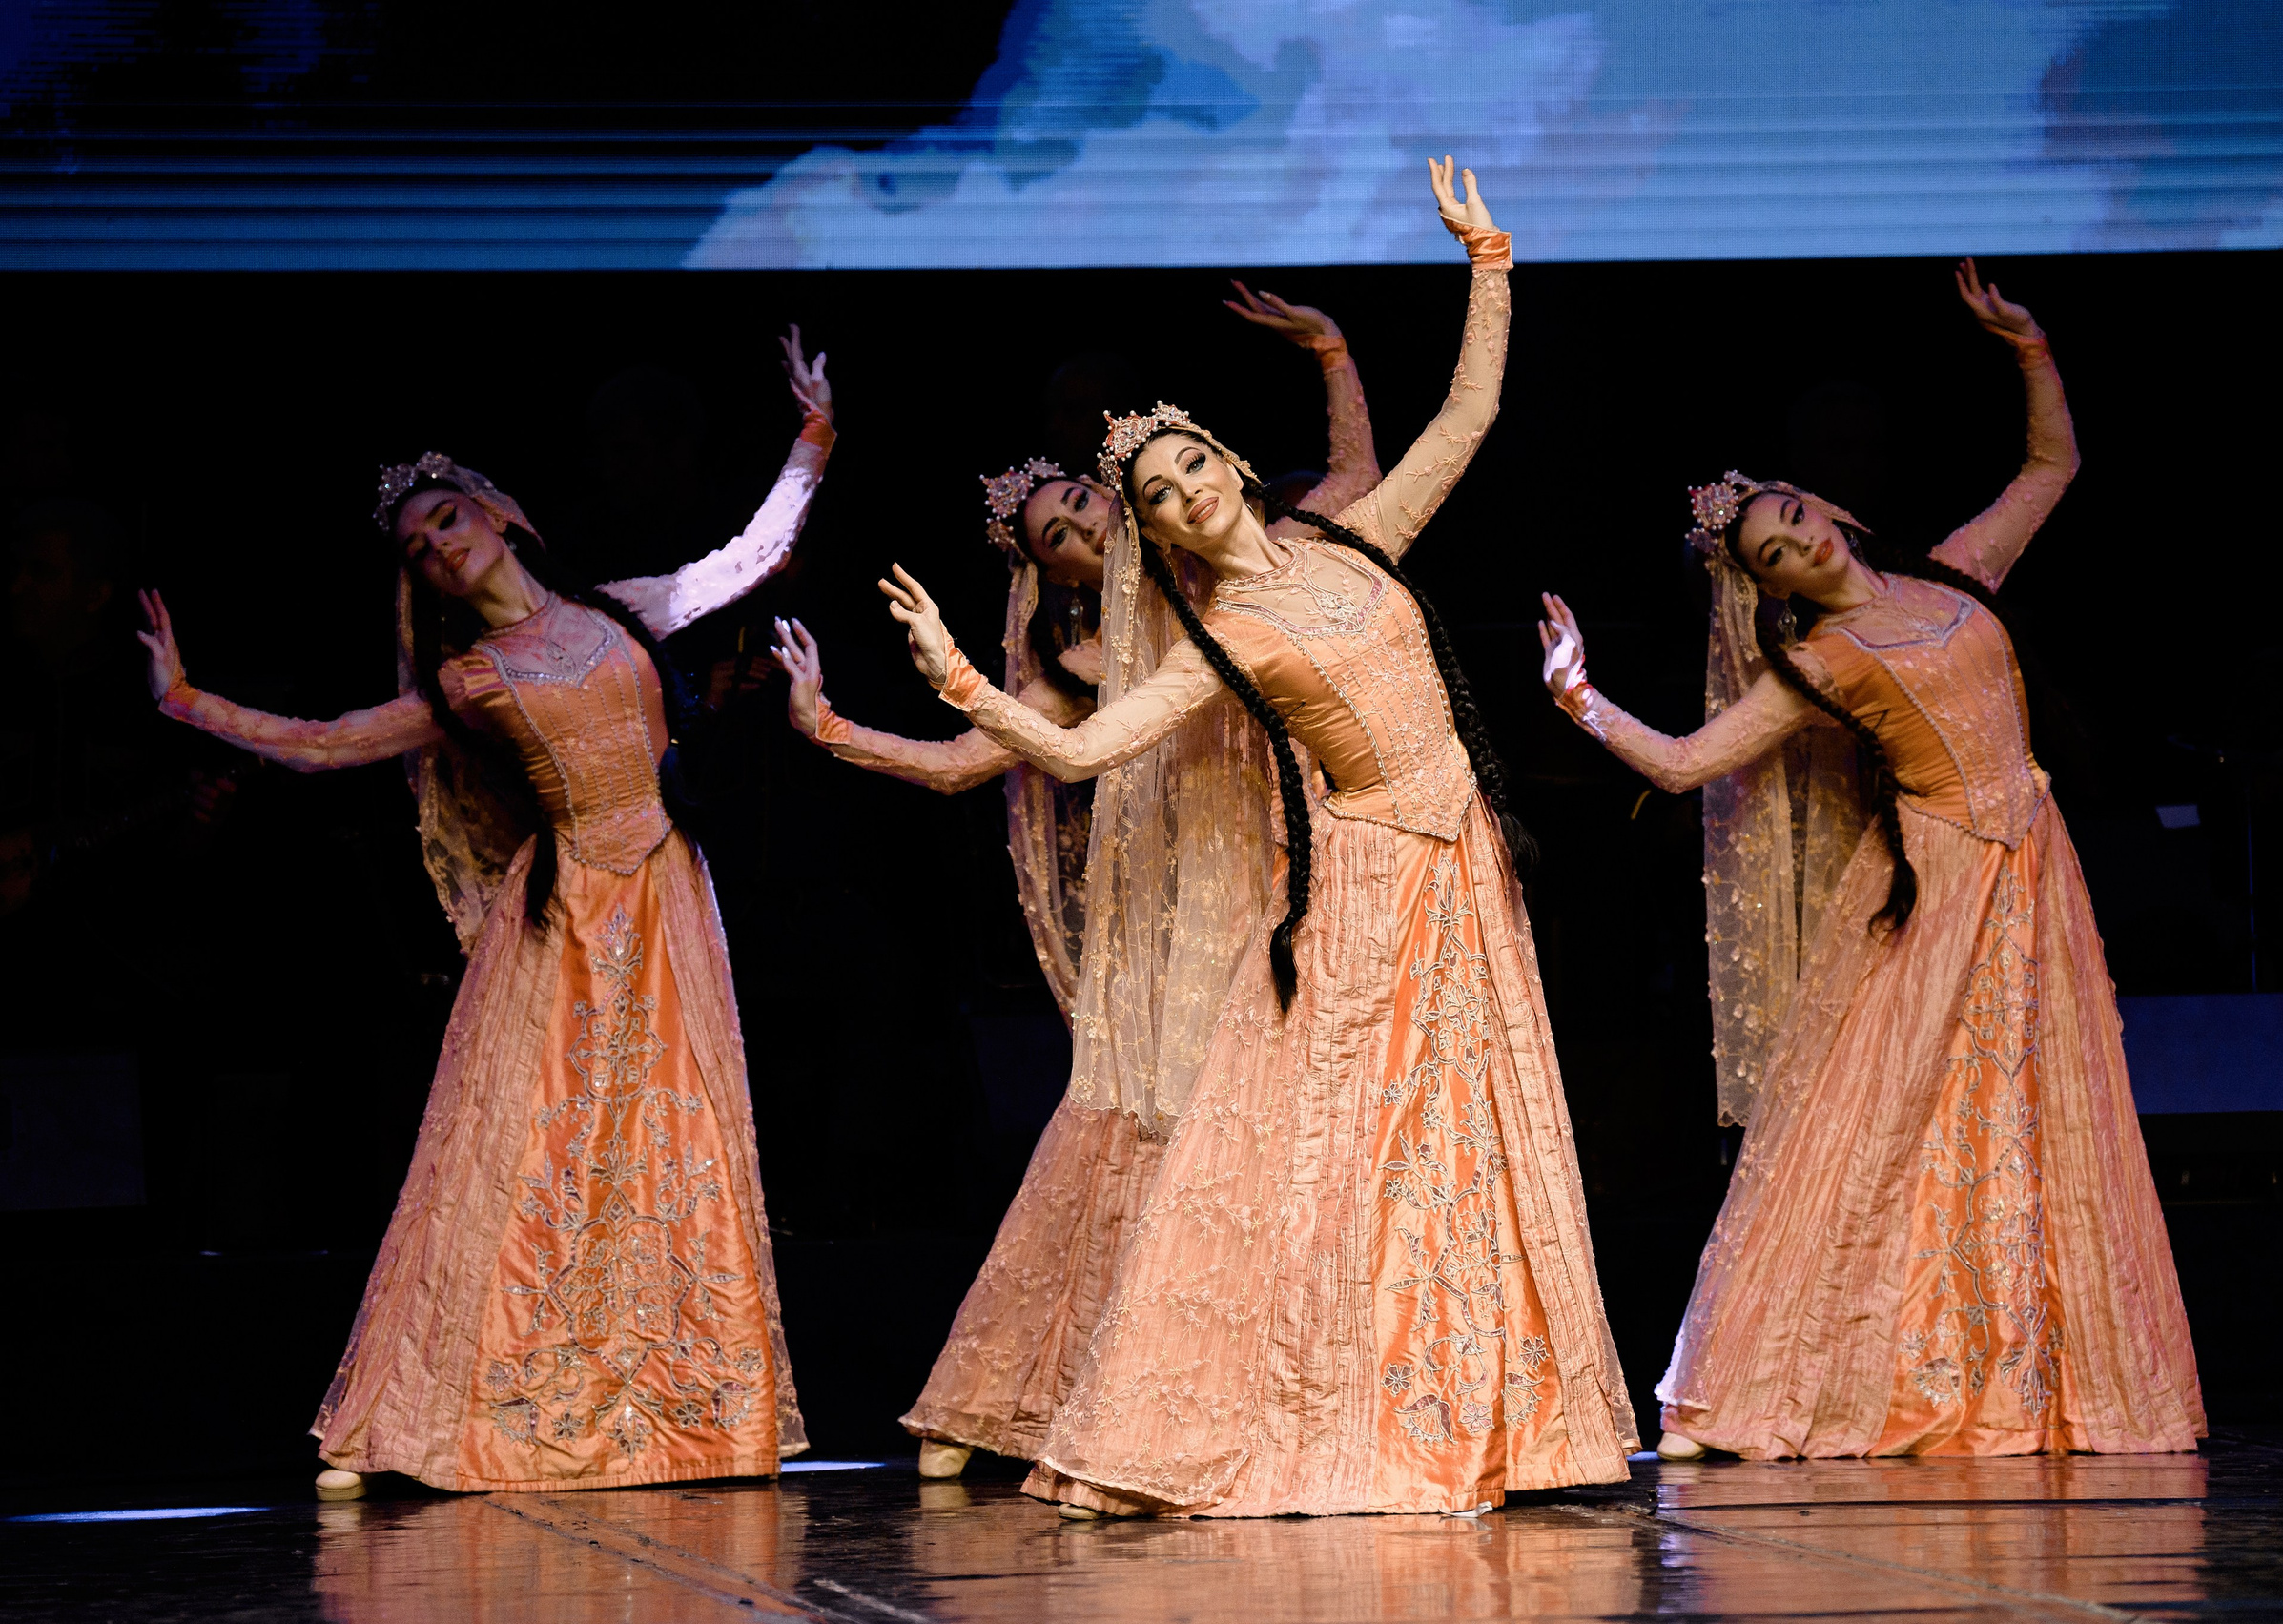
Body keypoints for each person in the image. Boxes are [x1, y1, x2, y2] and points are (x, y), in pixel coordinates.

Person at [872, 158, 1638, 1518]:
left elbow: (1469, 416)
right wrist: (961, 682)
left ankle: (1467, 1403)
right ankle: (1245, 1407)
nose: (1183, 495)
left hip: (1463, 861)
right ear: (1154, 535)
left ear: (1228, 463)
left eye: (1188, 467)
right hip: (1363, 887)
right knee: (1328, 1153)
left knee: (1462, 1143)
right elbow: (1085, 748)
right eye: (1155, 497)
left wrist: (1490, 263)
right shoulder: (1223, 632)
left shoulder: (1353, 540)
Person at [135, 328, 837, 1494]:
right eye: (418, 549)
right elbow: (324, 747)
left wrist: (814, 433)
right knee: (531, 1152)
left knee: (670, 1143)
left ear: (499, 514)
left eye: (447, 522)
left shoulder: (622, 612)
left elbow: (753, 554)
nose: (438, 550)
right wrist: (186, 700)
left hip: (664, 891)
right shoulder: (465, 680)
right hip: (563, 913)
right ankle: (426, 1409)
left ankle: (673, 1407)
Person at [1536, 262, 2203, 1460]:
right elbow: (1688, 764)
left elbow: (2052, 470)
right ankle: (1749, 1379)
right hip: (1939, 878)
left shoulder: (1950, 571)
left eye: (1790, 518)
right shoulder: (1824, 662)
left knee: (2023, 1117)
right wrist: (1578, 696)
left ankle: (2016, 1363)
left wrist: (2029, 349)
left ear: (1825, 509)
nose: (1792, 543)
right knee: (1873, 1124)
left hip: (2032, 870)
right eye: (1769, 557)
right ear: (1771, 595)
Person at [770, 288, 1381, 1480]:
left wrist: (1331, 349)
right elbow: (959, 765)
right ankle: (1033, 1391)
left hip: (1321, 865)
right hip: (1191, 910)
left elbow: (1357, 470)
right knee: (1171, 1137)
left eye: (1086, 499)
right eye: (1055, 530)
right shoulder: (1081, 659)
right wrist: (828, 724)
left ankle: (1293, 1378)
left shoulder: (1257, 562)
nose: (1082, 524)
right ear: (1049, 574)